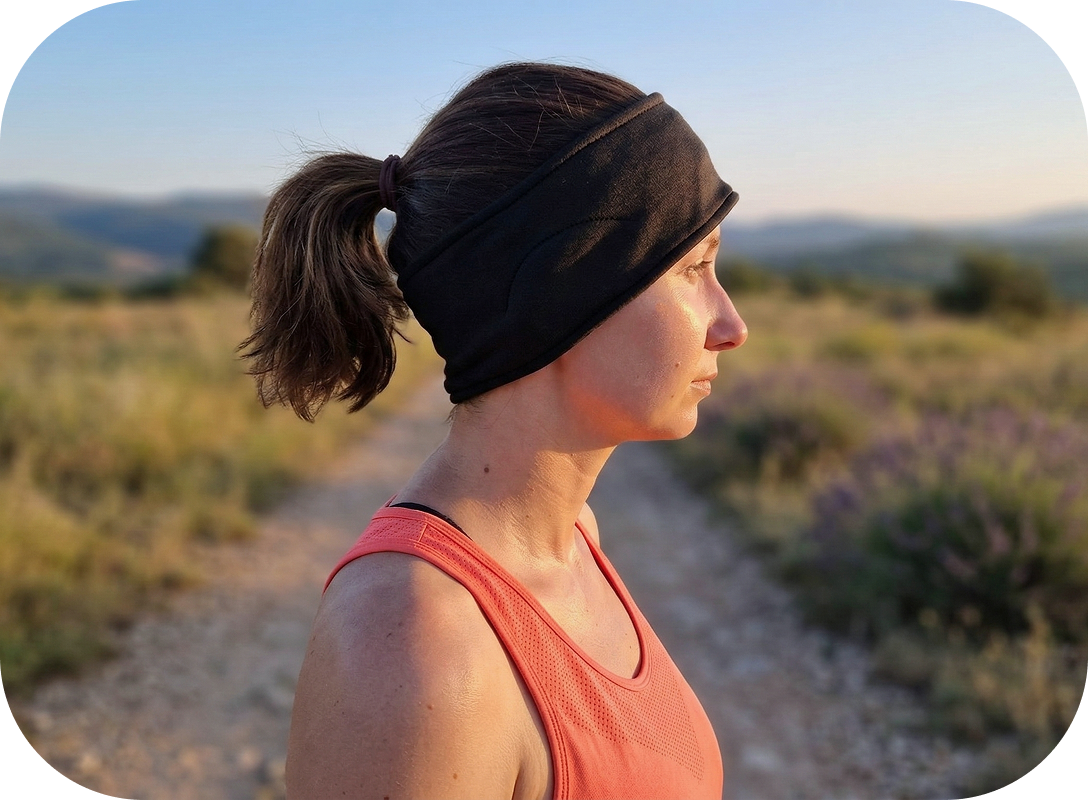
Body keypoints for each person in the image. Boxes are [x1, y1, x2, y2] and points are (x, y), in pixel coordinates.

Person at [241, 62, 748, 800]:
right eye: (693, 268)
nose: (731, 325)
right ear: (559, 293)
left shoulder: (572, 537)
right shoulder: (416, 647)